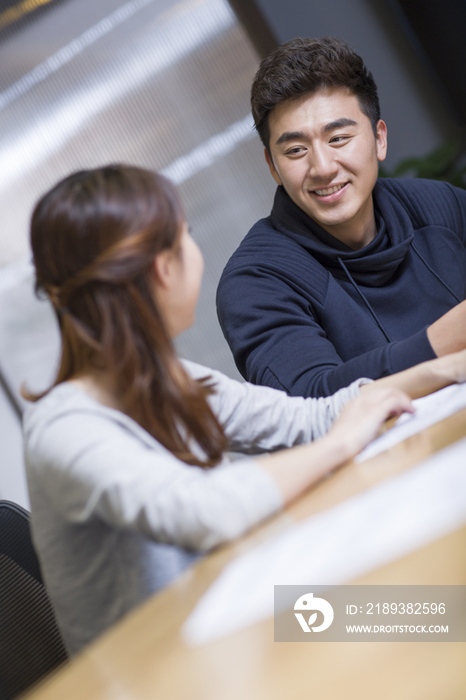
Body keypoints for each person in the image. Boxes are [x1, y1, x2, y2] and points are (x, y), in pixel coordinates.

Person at [23, 165, 466, 656]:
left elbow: (306, 418)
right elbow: (202, 509)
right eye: (185, 238)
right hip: (165, 667)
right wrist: (342, 442)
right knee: (413, 630)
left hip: (234, 626)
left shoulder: (170, 379)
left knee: (436, 614)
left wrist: (443, 372)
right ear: (162, 268)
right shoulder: (66, 428)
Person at [217, 36, 466, 398]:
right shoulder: (256, 281)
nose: (322, 167)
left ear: (379, 139)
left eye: (338, 138)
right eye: (296, 150)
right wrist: (443, 341)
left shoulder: (438, 206)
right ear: (273, 166)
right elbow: (310, 399)